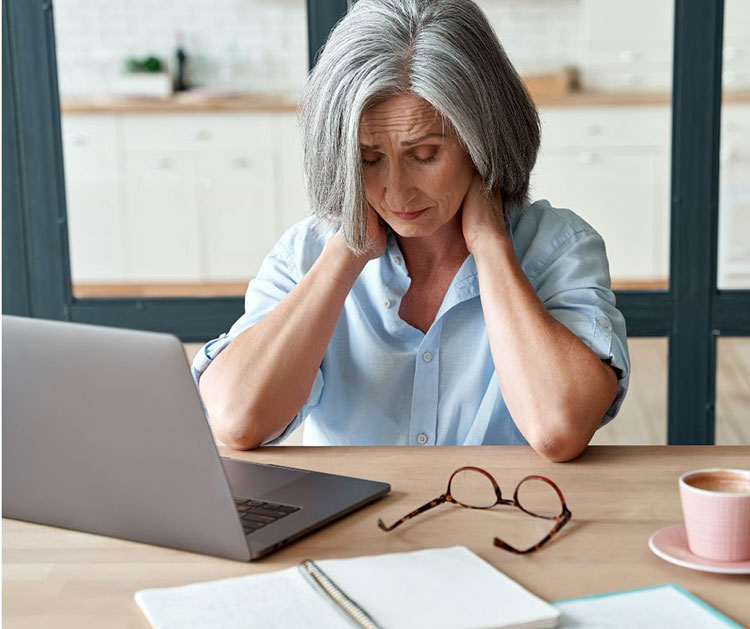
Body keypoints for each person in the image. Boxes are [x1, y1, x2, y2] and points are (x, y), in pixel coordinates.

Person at [193, 0, 630, 461]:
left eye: (424, 156)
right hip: (352, 531)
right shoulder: (305, 255)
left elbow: (559, 429)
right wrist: (345, 253)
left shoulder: (557, 248)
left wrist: (491, 246)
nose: (397, 193)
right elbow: (238, 421)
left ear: (482, 139)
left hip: (505, 524)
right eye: (368, 159)